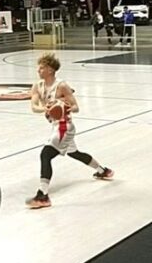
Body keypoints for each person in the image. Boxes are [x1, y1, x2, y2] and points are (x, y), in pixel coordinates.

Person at [26, 53, 114, 209]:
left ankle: (43, 196)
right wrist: (46, 109)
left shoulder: (62, 86)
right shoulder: (37, 86)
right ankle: (103, 171)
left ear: (50, 70)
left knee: (45, 154)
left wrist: (63, 107)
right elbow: (34, 107)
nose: (38, 70)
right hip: (55, 125)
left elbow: (76, 107)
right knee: (74, 153)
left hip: (64, 126)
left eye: (42, 67)